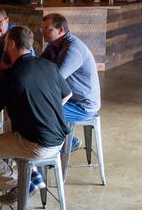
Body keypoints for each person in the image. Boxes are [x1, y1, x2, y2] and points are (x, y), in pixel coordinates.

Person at [0, 26, 72, 205]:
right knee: (8, 126)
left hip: (37, 145)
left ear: (11, 44)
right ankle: (34, 175)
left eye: (5, 44)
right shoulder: (47, 66)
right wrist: (44, 110)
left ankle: (19, 185)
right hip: (59, 139)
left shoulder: (12, 75)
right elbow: (67, 94)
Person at [39, 13, 101, 150]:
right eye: (41, 28)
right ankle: (62, 143)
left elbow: (55, 81)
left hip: (82, 105)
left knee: (39, 111)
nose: (42, 32)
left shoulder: (73, 49)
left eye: (46, 29)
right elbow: (40, 66)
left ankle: (64, 144)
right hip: (70, 99)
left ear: (60, 30)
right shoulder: (53, 45)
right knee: (35, 108)